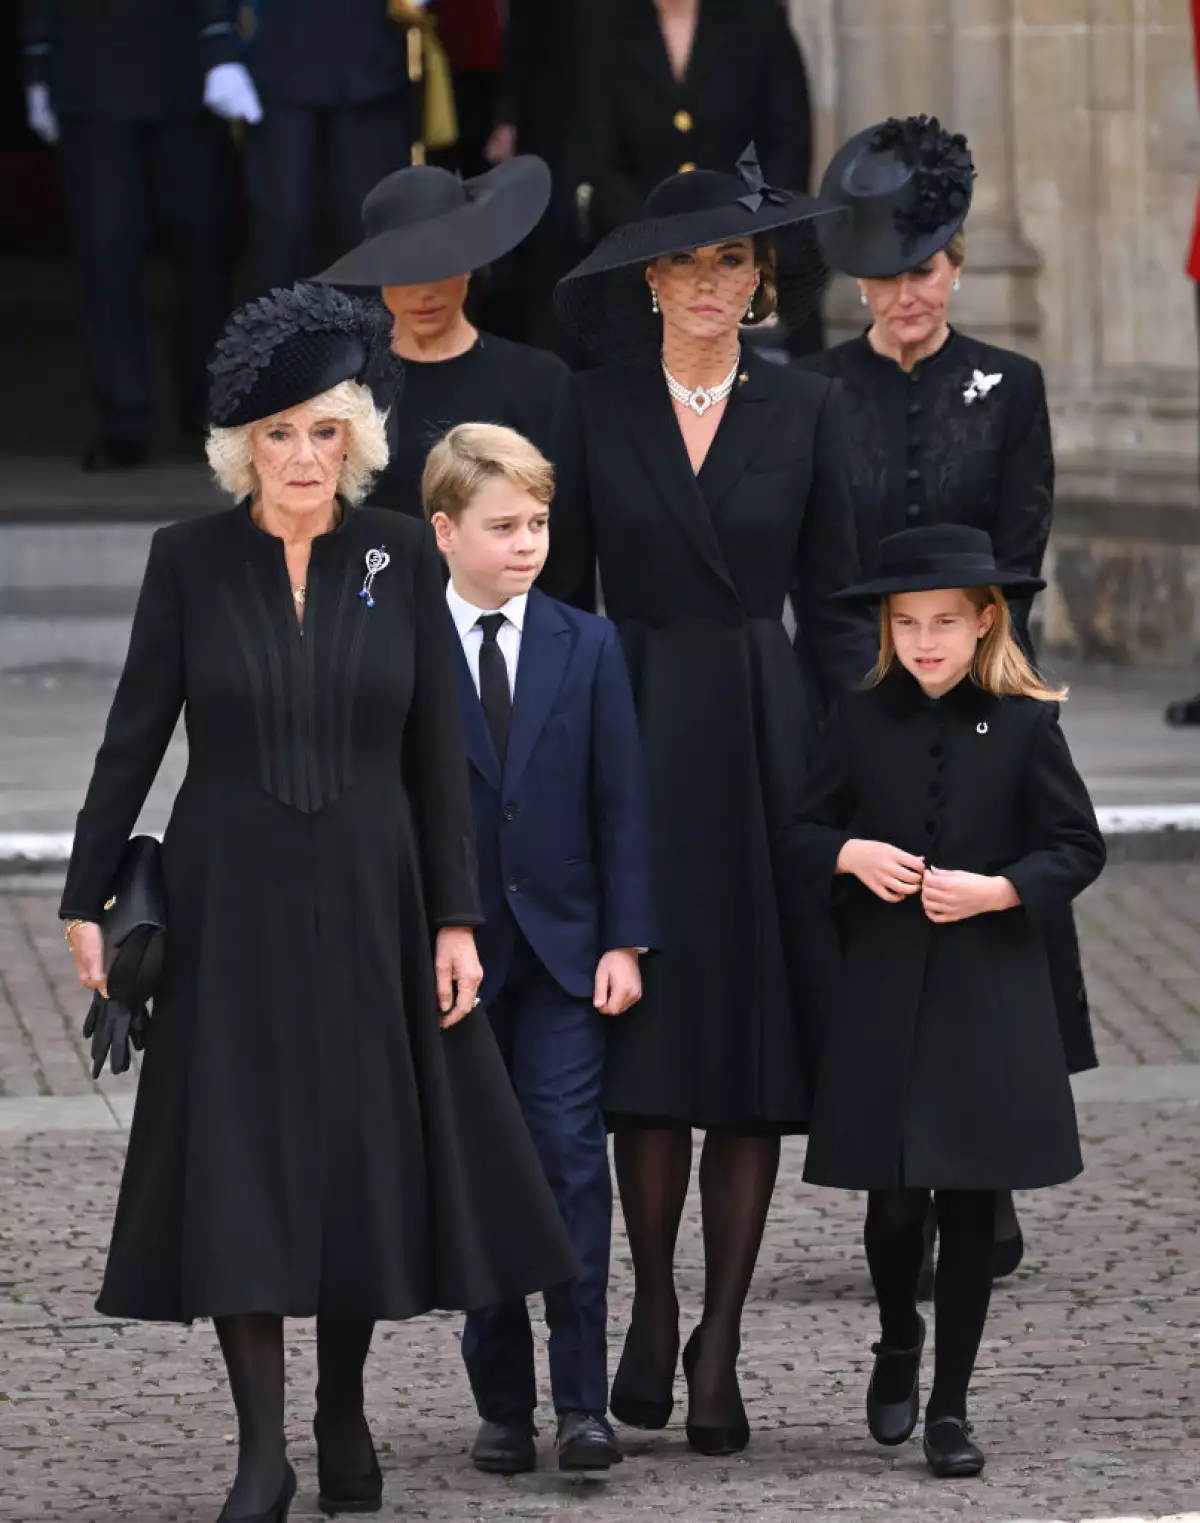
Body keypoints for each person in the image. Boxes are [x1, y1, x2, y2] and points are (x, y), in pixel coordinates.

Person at [59, 284, 576, 1523]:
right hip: (226, 897)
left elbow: (434, 756)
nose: (304, 457)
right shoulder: (186, 558)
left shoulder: (400, 554)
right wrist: (86, 894)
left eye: (326, 432)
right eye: (282, 434)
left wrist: (455, 919)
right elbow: (134, 739)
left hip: (374, 896)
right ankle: (261, 1450)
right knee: (240, 1162)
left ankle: (343, 1413)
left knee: (354, 1165)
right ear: (246, 446)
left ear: (359, 440)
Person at [543, 154, 875, 1455]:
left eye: (730, 263)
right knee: (649, 1049)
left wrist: (884, 763)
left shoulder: (808, 411)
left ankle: (720, 1334)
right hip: (630, 723)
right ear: (651, 283)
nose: (707, 286)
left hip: (765, 734)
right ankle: (653, 1299)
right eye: (684, 265)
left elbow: (843, 605)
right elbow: (565, 598)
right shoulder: (594, 405)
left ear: (762, 280)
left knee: (744, 1053)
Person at [797, 114, 1098, 1276]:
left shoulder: (1009, 384)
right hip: (860, 704)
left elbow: (1022, 552)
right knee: (882, 937)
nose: (903, 296)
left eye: (921, 272)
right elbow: (820, 571)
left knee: (997, 928)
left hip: (989, 698)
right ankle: (900, 1161)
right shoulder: (821, 391)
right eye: (880, 278)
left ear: (956, 263)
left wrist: (981, 691)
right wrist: (857, 703)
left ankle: (993, 1163)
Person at [779, 524, 1105, 1479]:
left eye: (944, 623)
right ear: (889, 626)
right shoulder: (858, 714)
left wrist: (1000, 890)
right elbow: (798, 831)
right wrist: (850, 852)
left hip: (987, 993)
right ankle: (896, 1335)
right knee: (893, 1203)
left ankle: (951, 1408)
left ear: (983, 623)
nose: (924, 641)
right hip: (883, 988)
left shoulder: (1026, 722)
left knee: (970, 1204)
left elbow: (1076, 845)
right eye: (908, 622)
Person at [423, 422, 658, 1476]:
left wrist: (625, 938)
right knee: (479, 1167)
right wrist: (428, 925)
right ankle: (502, 1403)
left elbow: (625, 803)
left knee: (569, 1159)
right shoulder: (405, 645)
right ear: (444, 531)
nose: (528, 542)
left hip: (567, 953)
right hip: (455, 957)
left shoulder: (585, 641)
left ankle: (582, 1403)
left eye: (540, 522)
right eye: (504, 525)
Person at [18, 0, 242, 469]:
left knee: (203, 247)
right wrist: (37, 62)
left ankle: (209, 405)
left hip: (186, 67)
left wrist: (221, 44)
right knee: (106, 253)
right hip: (88, 69)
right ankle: (123, 418)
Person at [315, 156, 569, 519]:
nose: (424, 291)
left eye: (440, 264)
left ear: (470, 263)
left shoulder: (540, 383)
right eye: (405, 269)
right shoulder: (342, 389)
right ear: (378, 270)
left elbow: (564, 532)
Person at [240, 0, 414, 293]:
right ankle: (283, 337)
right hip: (280, 58)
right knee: (283, 228)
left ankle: (371, 336)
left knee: (370, 228)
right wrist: (218, 45)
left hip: (370, 62)